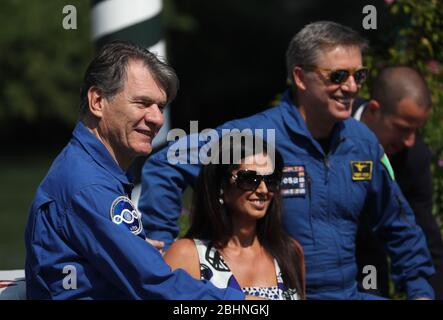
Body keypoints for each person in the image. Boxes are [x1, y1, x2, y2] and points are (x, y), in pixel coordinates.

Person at [139, 21, 436, 299]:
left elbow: (398, 225)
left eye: (359, 75)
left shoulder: (363, 143)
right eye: (338, 76)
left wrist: (420, 290)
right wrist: (161, 256)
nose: (352, 87)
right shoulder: (255, 137)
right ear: (300, 77)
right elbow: (167, 164)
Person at [24, 41, 250, 300]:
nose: (157, 119)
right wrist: (244, 303)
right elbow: (156, 287)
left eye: (160, 106)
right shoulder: (90, 186)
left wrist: (135, 249)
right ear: (98, 101)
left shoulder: (88, 170)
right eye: (143, 103)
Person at [164, 134, 306, 300]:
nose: (263, 189)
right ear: (220, 184)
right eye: (249, 179)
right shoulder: (186, 254)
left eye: (271, 180)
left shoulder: (289, 252)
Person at [354, 66, 443, 299]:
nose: (410, 141)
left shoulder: (414, 159)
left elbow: (424, 234)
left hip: (369, 272)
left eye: (416, 130)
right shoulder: (331, 125)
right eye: (403, 129)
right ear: (374, 110)